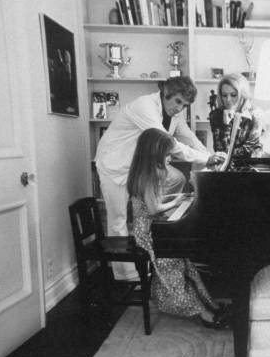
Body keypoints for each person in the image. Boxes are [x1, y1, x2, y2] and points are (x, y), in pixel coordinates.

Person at [95, 76, 225, 280]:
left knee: (177, 178)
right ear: (166, 94)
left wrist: (212, 156)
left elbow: (188, 137)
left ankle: (158, 227)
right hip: (115, 164)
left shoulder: (175, 114)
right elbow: (171, 144)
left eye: (185, 105)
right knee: (118, 220)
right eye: (178, 102)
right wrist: (206, 159)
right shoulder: (144, 106)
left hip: (139, 166)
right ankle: (125, 276)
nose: (180, 108)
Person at [127, 129, 229, 328]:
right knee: (172, 263)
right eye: (166, 155)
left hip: (150, 225)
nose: (170, 158)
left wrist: (176, 199)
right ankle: (203, 312)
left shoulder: (145, 171)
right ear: (154, 153)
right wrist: (177, 203)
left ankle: (209, 304)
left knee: (184, 262)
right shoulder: (148, 175)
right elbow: (154, 207)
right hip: (146, 232)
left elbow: (154, 202)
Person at [209, 73, 262, 168]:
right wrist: (226, 125)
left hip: (250, 167)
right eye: (224, 95)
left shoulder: (255, 114)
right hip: (225, 168)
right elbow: (220, 151)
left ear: (243, 95)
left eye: (233, 95)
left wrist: (229, 155)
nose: (228, 100)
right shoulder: (216, 115)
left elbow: (249, 149)